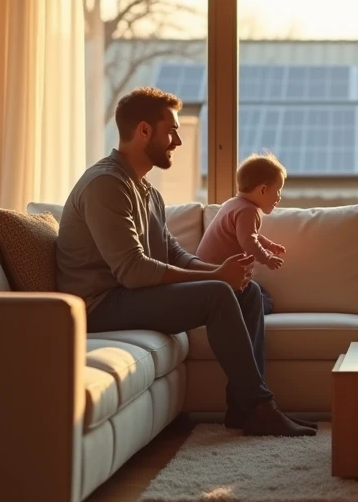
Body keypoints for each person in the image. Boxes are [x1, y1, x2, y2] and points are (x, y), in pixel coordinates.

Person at [56, 87, 314, 437]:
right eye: (171, 130)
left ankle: (242, 409)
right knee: (217, 295)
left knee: (247, 291)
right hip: (100, 304)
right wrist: (218, 280)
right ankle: (261, 407)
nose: (177, 140)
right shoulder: (106, 185)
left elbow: (172, 253)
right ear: (144, 130)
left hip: (126, 295)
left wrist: (221, 273)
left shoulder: (147, 191)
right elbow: (133, 271)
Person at [196, 153, 288, 271]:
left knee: (256, 289)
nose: (279, 197)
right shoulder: (248, 211)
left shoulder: (234, 203)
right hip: (218, 274)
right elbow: (249, 242)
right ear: (263, 190)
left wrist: (268, 245)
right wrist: (267, 258)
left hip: (207, 270)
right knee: (255, 289)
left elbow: (247, 234)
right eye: (278, 191)